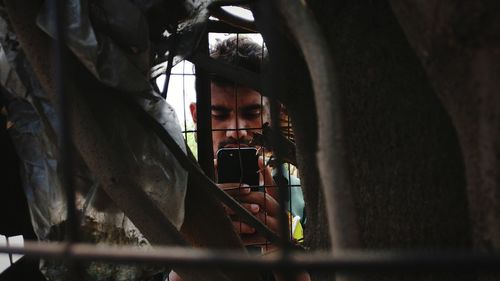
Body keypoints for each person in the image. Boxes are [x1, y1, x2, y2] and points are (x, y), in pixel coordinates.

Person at [168, 35, 309, 281]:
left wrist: (285, 257)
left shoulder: (302, 193)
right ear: (196, 115)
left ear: (269, 114)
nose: (237, 131)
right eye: (219, 114)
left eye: (251, 112)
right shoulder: (175, 195)